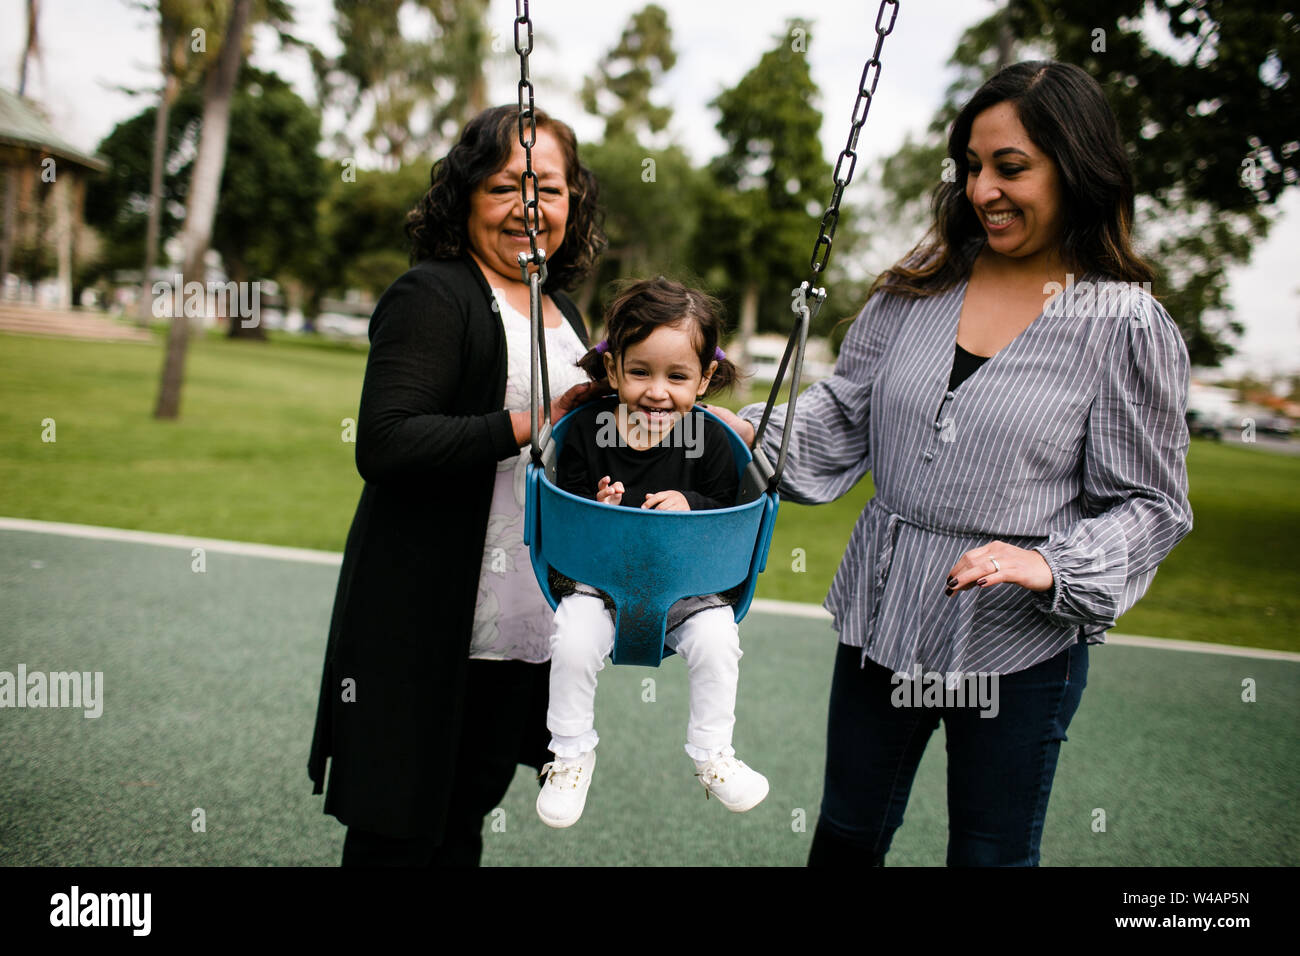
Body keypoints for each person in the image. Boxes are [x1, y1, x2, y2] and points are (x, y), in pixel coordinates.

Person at [707, 60, 1194, 866]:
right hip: (885, 608)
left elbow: (1151, 504)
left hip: (1019, 638)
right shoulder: (920, 286)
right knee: (846, 839)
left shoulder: (1124, 323)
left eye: (1011, 167)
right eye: (973, 167)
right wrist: (739, 432)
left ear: (1077, 169)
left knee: (989, 855)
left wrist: (1049, 565)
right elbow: (841, 413)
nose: (983, 190)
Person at [307, 104, 608, 866]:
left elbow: (568, 445)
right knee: (398, 829)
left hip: (519, 626)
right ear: (467, 193)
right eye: (508, 186)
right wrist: (527, 421)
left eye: (550, 188)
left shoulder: (563, 311)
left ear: (575, 202)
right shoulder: (434, 295)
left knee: (466, 816)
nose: (529, 209)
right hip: (431, 618)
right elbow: (387, 440)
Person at [533, 277, 770, 829]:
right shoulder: (589, 433)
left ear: (705, 378)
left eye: (678, 376)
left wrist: (689, 502)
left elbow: (727, 505)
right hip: (598, 580)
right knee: (572, 638)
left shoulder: (711, 439)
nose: (657, 392)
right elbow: (565, 504)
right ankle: (569, 754)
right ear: (613, 369)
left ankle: (713, 753)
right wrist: (600, 503)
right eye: (640, 372)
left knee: (717, 640)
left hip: (688, 585)